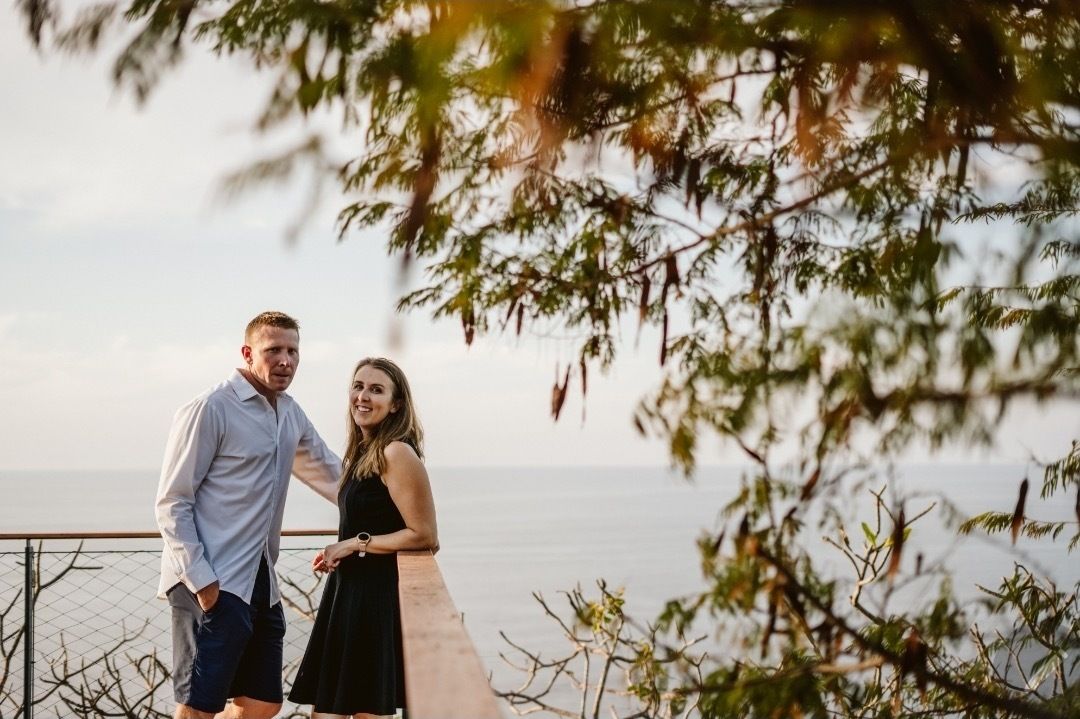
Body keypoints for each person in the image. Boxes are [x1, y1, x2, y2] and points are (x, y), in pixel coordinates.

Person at [155, 311, 341, 719]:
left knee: (262, 702)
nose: (285, 360)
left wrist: (394, 507)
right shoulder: (210, 408)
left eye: (293, 351)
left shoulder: (289, 413)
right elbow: (172, 502)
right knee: (197, 706)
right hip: (209, 578)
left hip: (259, 579)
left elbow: (335, 476)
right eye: (273, 350)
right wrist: (203, 583)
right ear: (248, 353)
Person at [288, 357, 439, 719]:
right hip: (348, 595)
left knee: (364, 713)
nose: (363, 396)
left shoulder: (396, 452)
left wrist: (354, 543)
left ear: (395, 404)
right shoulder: (363, 454)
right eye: (358, 386)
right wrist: (338, 550)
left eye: (376, 389)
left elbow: (426, 535)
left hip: (375, 601)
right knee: (328, 712)